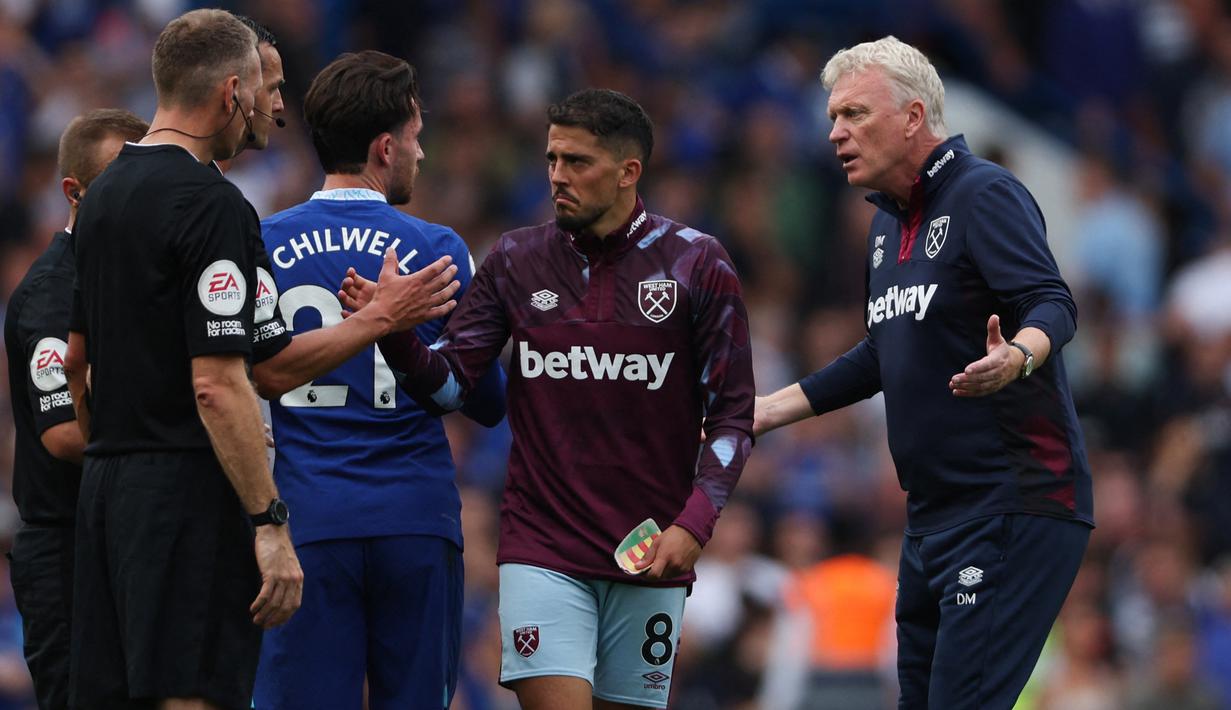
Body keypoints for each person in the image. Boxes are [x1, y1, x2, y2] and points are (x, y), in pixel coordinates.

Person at [341, 87, 756, 710]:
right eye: (552, 159)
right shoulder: (516, 258)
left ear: (628, 172)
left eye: (577, 162)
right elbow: (454, 384)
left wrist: (694, 524)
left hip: (649, 547)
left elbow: (731, 415)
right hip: (543, 545)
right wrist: (394, 335)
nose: (558, 176)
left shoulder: (698, 264)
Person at [753, 36, 1093, 709]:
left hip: (1012, 501)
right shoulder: (884, 228)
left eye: (853, 114)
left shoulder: (982, 193)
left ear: (912, 117)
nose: (834, 132)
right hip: (932, 517)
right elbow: (884, 351)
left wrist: (1018, 354)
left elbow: (1050, 301)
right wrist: (766, 411)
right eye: (831, 117)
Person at [251, 50, 506, 710]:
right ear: (386, 147)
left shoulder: (258, 242)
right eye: (418, 138)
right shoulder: (437, 249)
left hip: (306, 524)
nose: (422, 155)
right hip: (414, 521)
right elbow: (486, 399)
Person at [64, 11, 299, 709]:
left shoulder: (100, 195)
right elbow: (218, 382)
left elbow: (83, 361)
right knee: (189, 694)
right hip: (184, 492)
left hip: (106, 490)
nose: (269, 108)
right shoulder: (212, 205)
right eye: (262, 89)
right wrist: (269, 524)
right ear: (231, 92)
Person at [3, 108, 147, 710]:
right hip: (67, 556)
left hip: (122, 541)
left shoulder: (131, 278)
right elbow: (62, 432)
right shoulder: (52, 292)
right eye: (122, 180)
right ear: (74, 192)